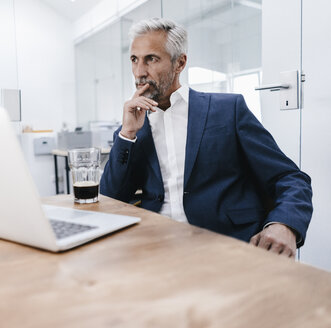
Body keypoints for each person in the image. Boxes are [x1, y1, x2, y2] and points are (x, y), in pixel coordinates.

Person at [100, 18, 313, 258]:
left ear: (179, 63)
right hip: (157, 245)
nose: (139, 72)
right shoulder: (134, 124)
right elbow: (110, 199)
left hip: (225, 243)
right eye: (134, 59)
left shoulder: (228, 109)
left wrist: (284, 225)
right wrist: (127, 134)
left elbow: (291, 178)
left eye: (151, 59)